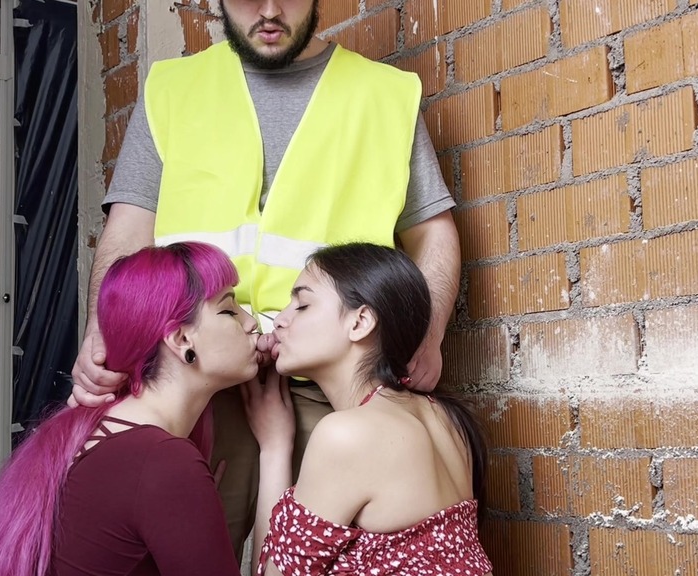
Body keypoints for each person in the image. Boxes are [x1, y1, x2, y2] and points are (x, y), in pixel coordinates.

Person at [71, 0, 462, 556]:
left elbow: (434, 235)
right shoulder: (172, 89)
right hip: (201, 379)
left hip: (325, 384)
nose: (271, 11)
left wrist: (429, 329)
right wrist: (104, 329)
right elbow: (128, 231)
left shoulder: (384, 95)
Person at [0, 243, 257, 576]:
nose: (251, 323)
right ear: (181, 340)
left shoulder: (98, 431)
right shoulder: (163, 462)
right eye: (229, 310)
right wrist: (278, 449)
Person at [243, 243, 491, 575]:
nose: (280, 320)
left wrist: (274, 448)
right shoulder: (446, 418)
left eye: (302, 305)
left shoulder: (348, 434)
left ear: (360, 322)